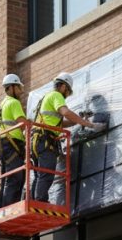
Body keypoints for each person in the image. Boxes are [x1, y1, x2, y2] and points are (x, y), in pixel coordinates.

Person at [30, 72, 104, 203]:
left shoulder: (46, 98)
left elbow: (59, 122)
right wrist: (89, 124)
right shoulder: (57, 95)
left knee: (40, 173)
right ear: (63, 86)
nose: (67, 94)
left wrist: (78, 120)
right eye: (68, 91)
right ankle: (40, 202)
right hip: (45, 141)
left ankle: (34, 202)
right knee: (47, 173)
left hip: (37, 140)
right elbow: (66, 112)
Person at [0, 73, 28, 207]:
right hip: (12, 143)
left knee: (7, 177)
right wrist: (31, 123)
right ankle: (10, 207)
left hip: (5, 145)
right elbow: (22, 122)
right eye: (18, 88)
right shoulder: (13, 102)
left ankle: (4, 206)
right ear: (11, 88)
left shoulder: (1, 105)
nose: (20, 92)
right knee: (16, 176)